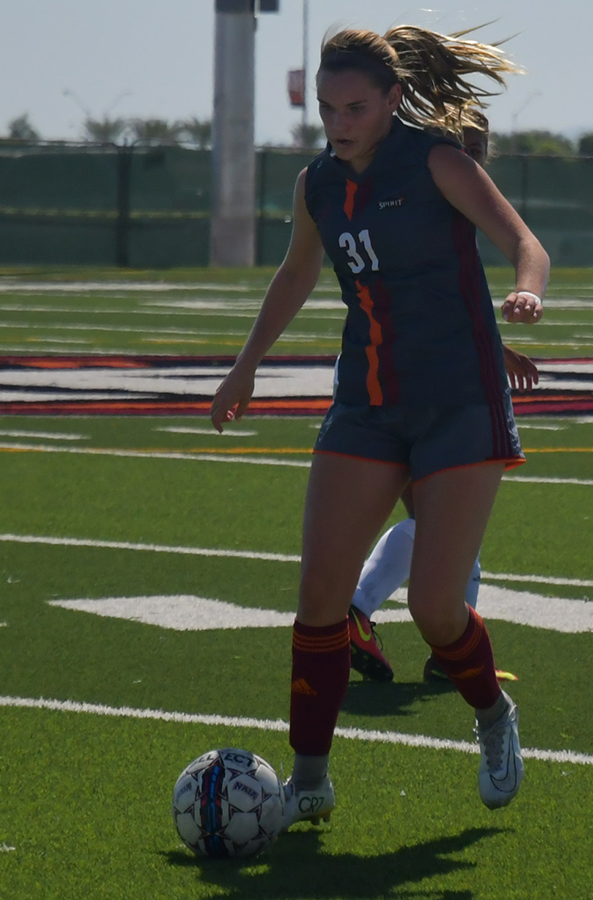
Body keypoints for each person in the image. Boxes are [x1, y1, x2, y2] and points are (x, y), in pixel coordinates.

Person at [209, 24, 548, 828]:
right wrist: (246, 364)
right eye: (328, 108)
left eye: (356, 106)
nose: (340, 122)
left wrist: (527, 293)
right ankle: (310, 780)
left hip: (459, 404)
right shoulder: (317, 184)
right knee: (321, 596)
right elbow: (296, 273)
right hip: (364, 404)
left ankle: (494, 716)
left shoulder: (437, 162)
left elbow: (521, 242)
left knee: (436, 608)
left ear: (394, 99)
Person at [347, 111, 534, 686]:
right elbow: (415, 297)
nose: (474, 159)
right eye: (466, 146)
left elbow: (437, 297)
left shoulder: (419, 196)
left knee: (448, 530)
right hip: (414, 383)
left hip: (400, 370)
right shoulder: (422, 198)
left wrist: (494, 350)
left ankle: (445, 649)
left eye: (477, 148)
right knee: (441, 526)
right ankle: (354, 613)